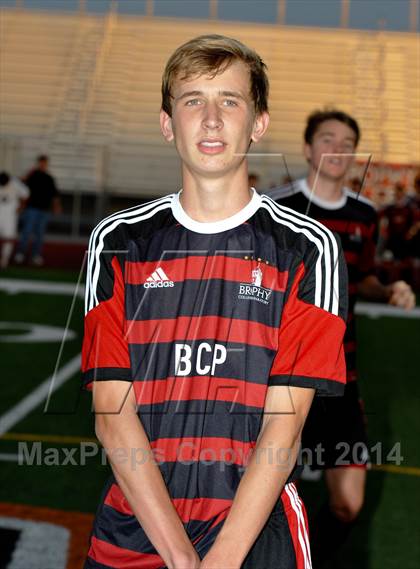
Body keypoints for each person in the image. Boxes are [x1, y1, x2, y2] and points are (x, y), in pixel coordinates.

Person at [81, 36, 348, 569]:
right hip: (135, 527)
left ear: (258, 124)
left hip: (254, 534)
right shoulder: (117, 241)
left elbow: (284, 426)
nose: (210, 119)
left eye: (229, 100)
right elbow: (112, 416)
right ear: (167, 124)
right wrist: (183, 559)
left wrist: (221, 559)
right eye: (192, 100)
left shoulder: (308, 248)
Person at [269, 109, 415, 567]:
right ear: (308, 148)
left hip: (340, 377)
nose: (338, 148)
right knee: (262, 500)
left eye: (347, 142)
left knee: (347, 504)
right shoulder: (275, 209)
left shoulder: (365, 214)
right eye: (327, 139)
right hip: (280, 379)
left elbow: (363, 277)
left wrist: (389, 289)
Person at [14, 154, 61, 266]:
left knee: (40, 234)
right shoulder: (32, 175)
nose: (43, 165)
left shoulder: (49, 178)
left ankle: (36, 255)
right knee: (26, 232)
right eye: (41, 163)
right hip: (31, 208)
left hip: (44, 210)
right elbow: (21, 185)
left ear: (47, 164)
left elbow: (54, 194)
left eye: (45, 163)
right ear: (38, 163)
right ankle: (20, 254)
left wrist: (56, 206)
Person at [0, 171, 29, 268]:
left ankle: (4, 259)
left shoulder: (15, 183)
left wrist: (21, 207)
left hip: (10, 213)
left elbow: (26, 194)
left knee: (9, 237)